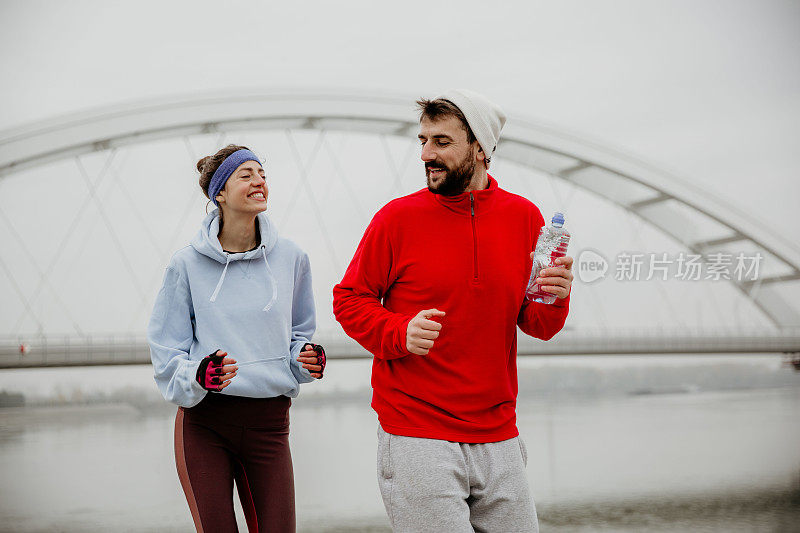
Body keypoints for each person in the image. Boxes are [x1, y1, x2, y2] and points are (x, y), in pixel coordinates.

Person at [333, 90, 573, 532]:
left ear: (481, 149)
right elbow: (349, 299)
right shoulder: (396, 219)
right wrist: (399, 330)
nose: (426, 154)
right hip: (416, 432)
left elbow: (539, 325)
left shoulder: (525, 218)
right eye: (422, 141)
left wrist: (555, 295)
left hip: (500, 433)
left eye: (441, 142)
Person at [148, 144, 326, 533]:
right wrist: (200, 374)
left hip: (270, 425)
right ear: (220, 194)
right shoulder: (186, 264)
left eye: (262, 174)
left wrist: (305, 358)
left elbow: (298, 336)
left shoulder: (292, 258)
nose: (259, 181)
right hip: (206, 423)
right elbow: (167, 352)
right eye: (246, 174)